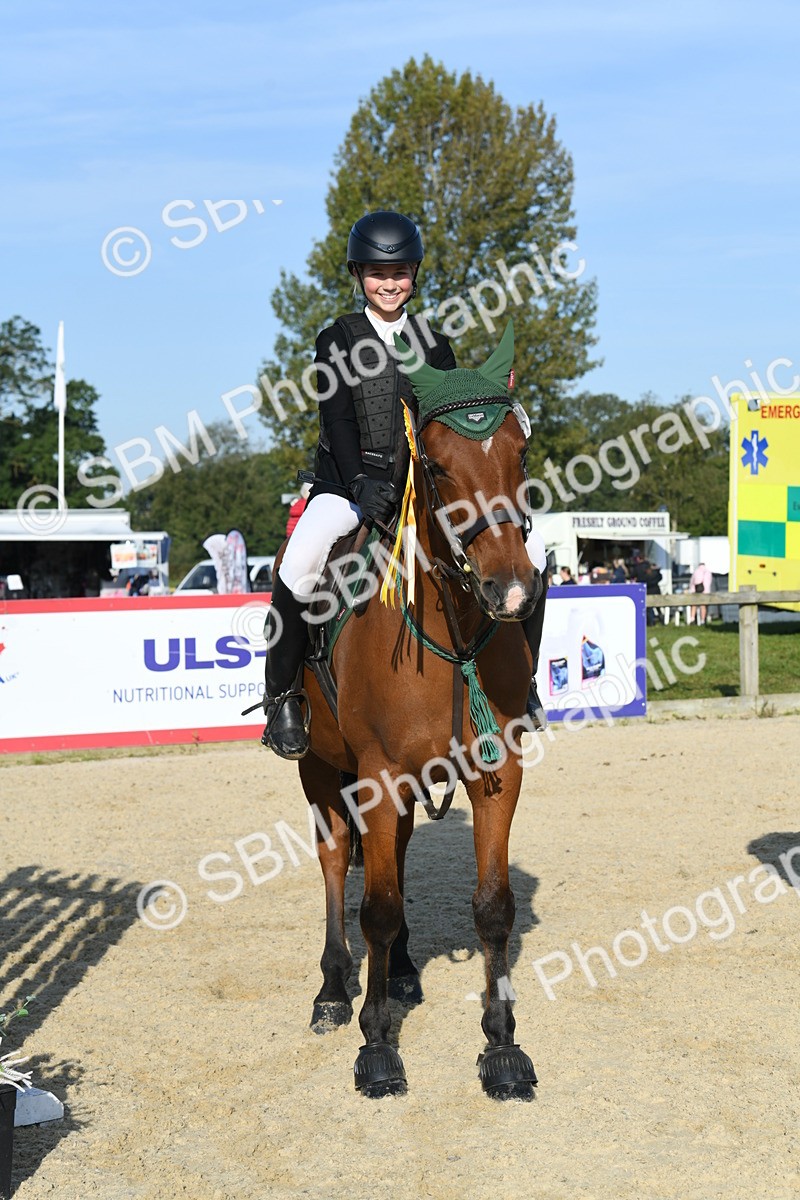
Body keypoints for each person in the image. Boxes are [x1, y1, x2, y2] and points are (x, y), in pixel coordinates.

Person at [260, 210, 549, 759]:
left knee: (522, 559)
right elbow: (338, 422)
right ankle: (283, 698)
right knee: (297, 564)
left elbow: (449, 430)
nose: (388, 283)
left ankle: (522, 684)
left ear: (414, 274)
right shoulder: (335, 340)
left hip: (421, 492)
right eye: (375, 272)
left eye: (398, 273)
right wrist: (360, 486)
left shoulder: (435, 346)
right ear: (357, 275)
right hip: (346, 489)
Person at [689, 561, 713, 625]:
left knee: (694, 605)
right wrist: (706, 591)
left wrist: (692, 590)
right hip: (704, 591)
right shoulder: (707, 572)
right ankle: (702, 620)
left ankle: (692, 619)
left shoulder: (696, 571)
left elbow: (692, 582)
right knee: (703, 606)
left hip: (696, 591)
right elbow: (707, 582)